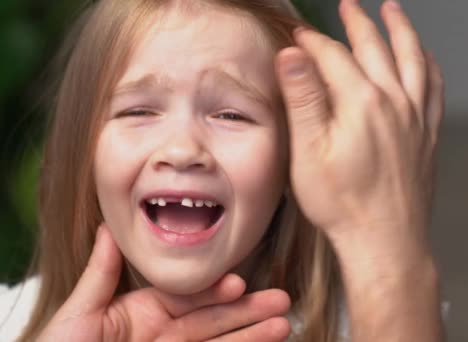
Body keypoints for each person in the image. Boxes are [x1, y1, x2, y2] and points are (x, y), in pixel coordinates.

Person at [0, 0, 445, 340]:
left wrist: (389, 249)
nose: (181, 149)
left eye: (231, 115)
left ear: (295, 164)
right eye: (138, 110)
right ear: (86, 155)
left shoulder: (377, 317)